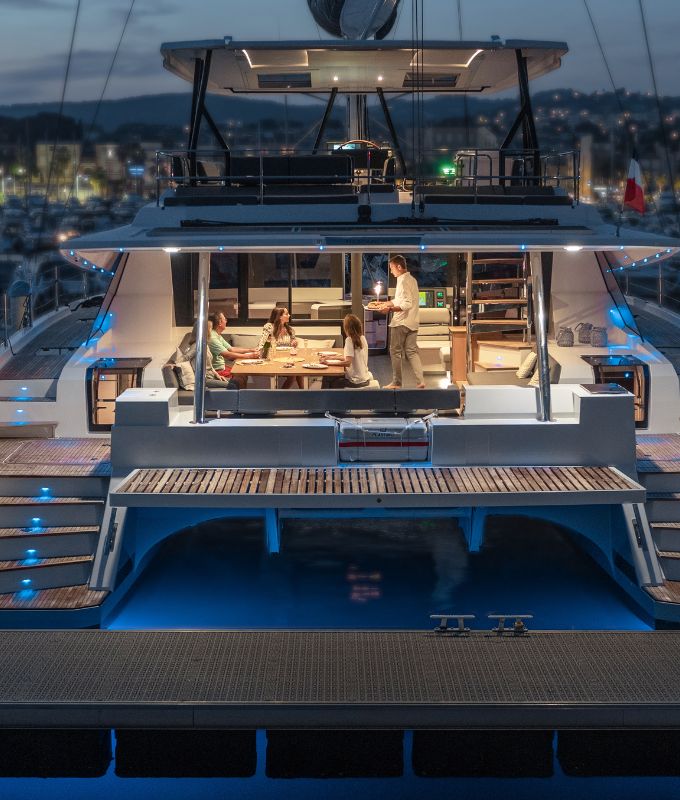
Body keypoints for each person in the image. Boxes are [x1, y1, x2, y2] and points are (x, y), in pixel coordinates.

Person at [376, 254, 425, 389]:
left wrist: (389, 309)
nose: (391, 272)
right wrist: (387, 303)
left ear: (399, 266)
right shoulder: (411, 280)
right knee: (412, 352)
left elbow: (407, 304)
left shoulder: (402, 281)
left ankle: (397, 382)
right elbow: (400, 300)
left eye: (391, 268)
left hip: (401, 323)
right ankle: (420, 381)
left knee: (395, 352)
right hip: (413, 322)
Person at [208, 311, 259, 388]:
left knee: (242, 373)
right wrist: (250, 356)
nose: (226, 321)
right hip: (218, 370)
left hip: (222, 367)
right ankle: (240, 398)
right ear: (220, 323)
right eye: (225, 319)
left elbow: (231, 349)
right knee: (241, 377)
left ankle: (241, 396)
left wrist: (250, 350)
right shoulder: (212, 337)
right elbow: (228, 355)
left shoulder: (217, 334)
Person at [320, 314, 372, 388]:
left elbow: (348, 363)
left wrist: (328, 363)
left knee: (327, 378)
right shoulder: (362, 338)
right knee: (331, 378)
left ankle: (324, 398)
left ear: (347, 328)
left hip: (355, 382)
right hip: (365, 379)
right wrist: (331, 358)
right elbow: (350, 359)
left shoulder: (349, 340)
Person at [258, 307, 303, 389]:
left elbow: (293, 345)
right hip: (273, 358)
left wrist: (294, 343)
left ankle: (303, 393)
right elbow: (262, 345)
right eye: (286, 314)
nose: (289, 315)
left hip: (286, 358)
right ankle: (280, 395)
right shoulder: (269, 327)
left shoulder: (290, 329)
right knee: (294, 374)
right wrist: (267, 342)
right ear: (279, 316)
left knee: (299, 370)